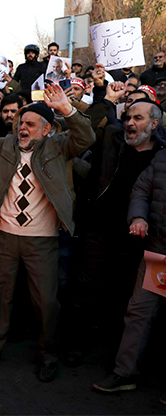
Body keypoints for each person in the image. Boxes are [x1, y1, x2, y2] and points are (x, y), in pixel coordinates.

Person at [0, 82, 95, 382]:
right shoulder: (6, 145)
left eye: (31, 124)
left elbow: (86, 136)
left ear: (46, 130)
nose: (23, 128)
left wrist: (66, 109)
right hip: (4, 237)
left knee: (46, 301)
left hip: (42, 240)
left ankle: (49, 355)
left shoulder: (58, 146)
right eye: (21, 123)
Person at [68, 84, 166, 365]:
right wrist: (107, 98)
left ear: (155, 123)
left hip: (135, 240)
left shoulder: (161, 155)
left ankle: (117, 350)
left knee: (123, 295)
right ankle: (77, 344)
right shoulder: (111, 136)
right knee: (86, 289)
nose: (130, 123)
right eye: (128, 117)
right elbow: (87, 125)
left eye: (138, 118)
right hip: (97, 229)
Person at [91, 148, 166, 406]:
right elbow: (142, 189)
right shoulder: (162, 157)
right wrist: (138, 216)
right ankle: (124, 372)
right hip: (160, 256)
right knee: (140, 312)